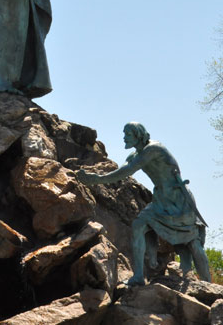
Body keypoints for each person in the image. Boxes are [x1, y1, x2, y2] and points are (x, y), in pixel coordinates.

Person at [76, 122, 210, 286]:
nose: (124, 138)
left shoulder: (153, 149)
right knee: (139, 225)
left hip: (178, 200)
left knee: (193, 242)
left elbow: (128, 171)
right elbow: (121, 171)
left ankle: (208, 284)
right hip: (161, 200)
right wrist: (94, 176)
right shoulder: (135, 156)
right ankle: (138, 275)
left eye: (128, 134)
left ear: (138, 135)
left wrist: (96, 180)